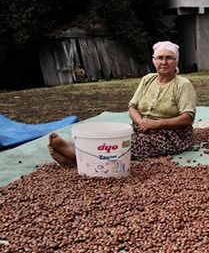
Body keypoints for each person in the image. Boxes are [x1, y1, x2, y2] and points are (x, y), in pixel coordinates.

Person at [48, 41, 197, 165]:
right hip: (142, 127)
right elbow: (132, 107)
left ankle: (77, 157)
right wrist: (141, 123)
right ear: (154, 60)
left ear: (176, 61)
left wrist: (156, 124)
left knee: (127, 145)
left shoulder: (182, 84)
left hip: (171, 134)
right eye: (160, 58)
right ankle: (79, 155)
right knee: (114, 136)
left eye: (169, 58)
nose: (164, 62)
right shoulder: (147, 79)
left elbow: (187, 118)